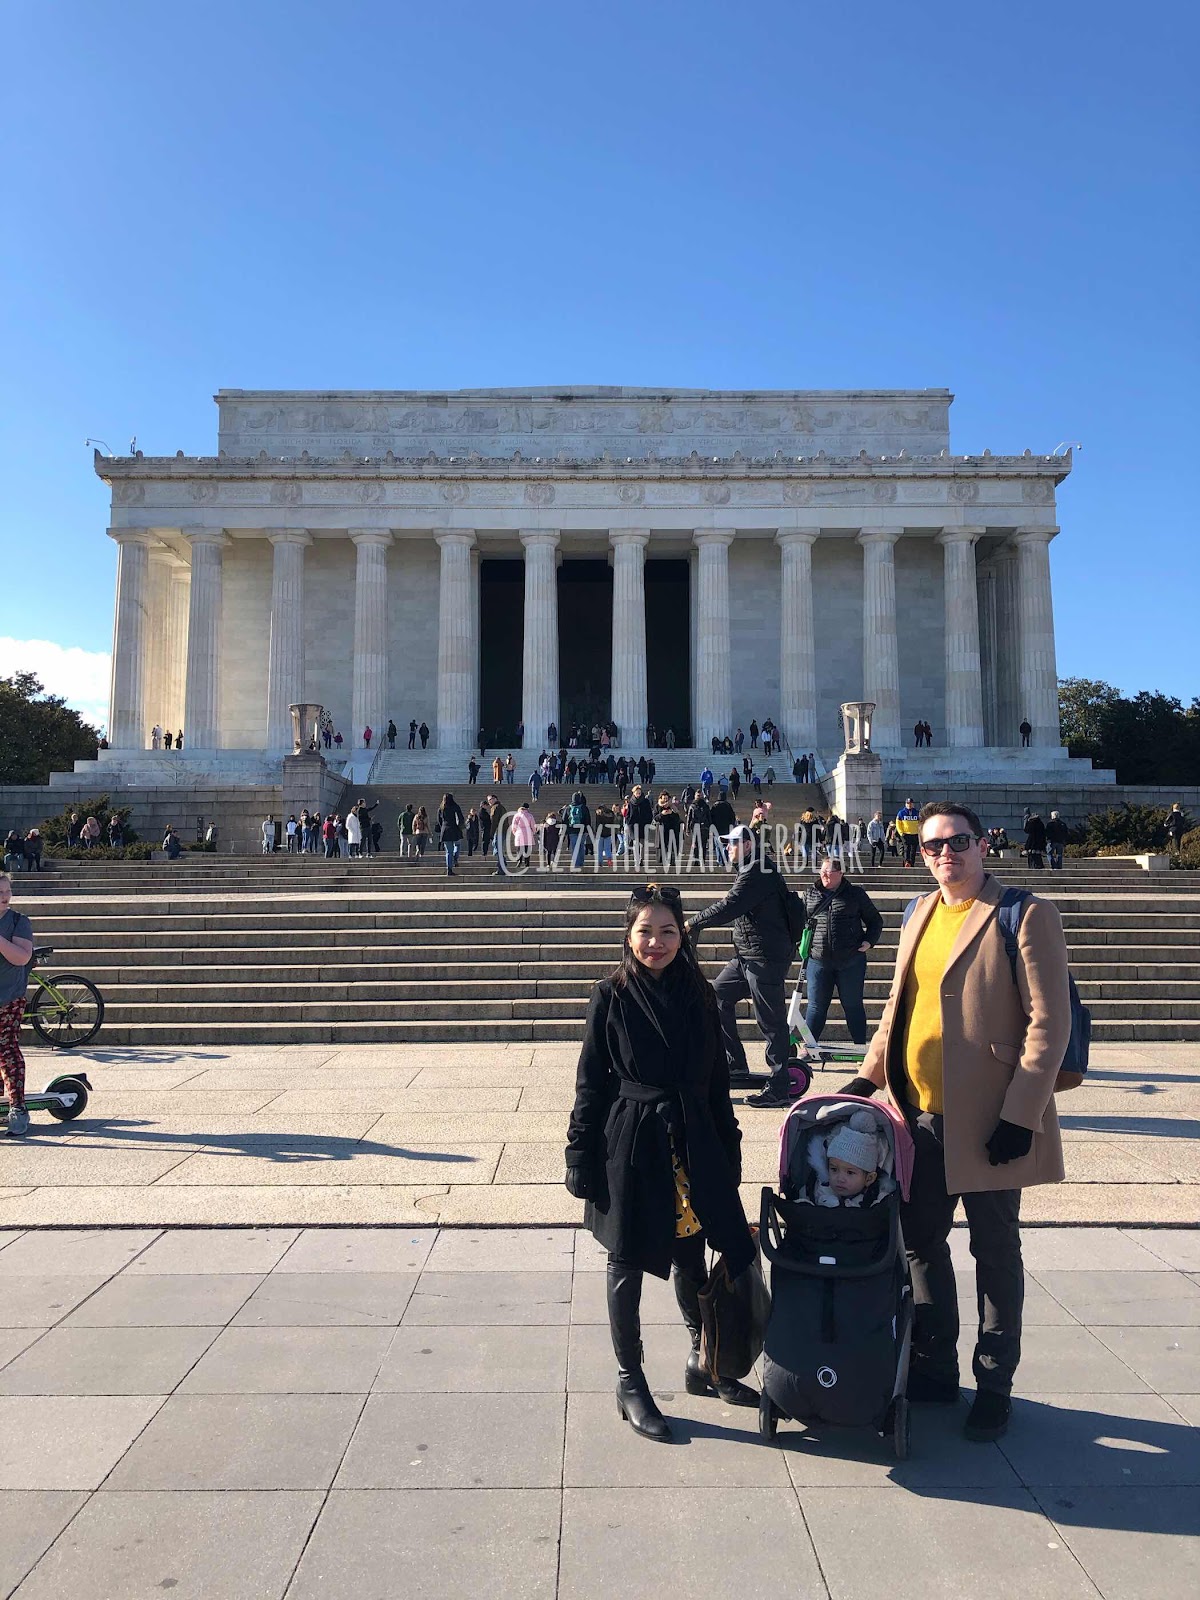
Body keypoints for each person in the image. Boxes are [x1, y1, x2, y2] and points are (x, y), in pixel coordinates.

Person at [840, 800, 1072, 1443]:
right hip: (919, 1117)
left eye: (959, 842)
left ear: (983, 846)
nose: (947, 853)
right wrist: (870, 1075)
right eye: (934, 844)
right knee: (921, 1246)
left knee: (995, 1251)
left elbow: (1049, 1024)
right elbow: (898, 1007)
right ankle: (936, 1366)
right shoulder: (919, 911)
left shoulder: (1024, 913)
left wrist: (1022, 1114)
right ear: (921, 853)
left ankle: (995, 1382)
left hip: (994, 1118)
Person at [564, 883, 758, 1442]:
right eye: (645, 931)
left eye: (668, 931)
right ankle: (630, 1381)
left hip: (694, 1140)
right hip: (632, 1143)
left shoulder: (699, 992)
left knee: (692, 1255)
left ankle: (708, 1361)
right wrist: (580, 1153)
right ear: (629, 935)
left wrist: (730, 1144)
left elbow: (718, 1083)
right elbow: (590, 1083)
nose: (656, 942)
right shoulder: (611, 994)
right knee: (626, 1263)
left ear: (683, 936)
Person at [686, 824, 795, 1096]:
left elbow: (730, 905)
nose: (727, 848)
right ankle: (735, 1064)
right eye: (727, 843)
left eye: (732, 843)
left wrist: (693, 922)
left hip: (765, 956)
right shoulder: (748, 868)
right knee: (715, 997)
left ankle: (780, 1084)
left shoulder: (758, 870)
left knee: (770, 1019)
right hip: (746, 955)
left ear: (748, 845)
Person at [799, 856, 882, 1048]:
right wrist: (801, 943)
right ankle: (809, 1047)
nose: (825, 875)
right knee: (816, 1006)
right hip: (818, 959)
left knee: (852, 1005)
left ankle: (860, 1047)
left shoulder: (855, 894)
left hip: (850, 960)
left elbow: (875, 921)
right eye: (822, 871)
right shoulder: (810, 894)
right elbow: (799, 922)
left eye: (829, 871)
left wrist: (869, 942)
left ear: (841, 873)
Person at [0, 874, 34, 1137]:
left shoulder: (18, 922)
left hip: (9, 997)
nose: (4, 896)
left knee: (7, 1048)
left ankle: (18, 1108)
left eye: (7, 890)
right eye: (0, 892)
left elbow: (22, 957)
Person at [807, 1113, 882, 1208]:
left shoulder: (876, 1197)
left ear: (869, 1179)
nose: (840, 1179)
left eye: (850, 1172)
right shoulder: (822, 1189)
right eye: (834, 1169)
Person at [437, 792, 465, 876]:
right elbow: (460, 818)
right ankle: (455, 858)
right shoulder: (455, 806)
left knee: (448, 851)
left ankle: (449, 869)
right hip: (454, 829)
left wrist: (443, 827)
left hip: (445, 830)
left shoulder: (441, 808)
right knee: (458, 845)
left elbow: (439, 820)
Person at [896, 798, 921, 868]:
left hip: (915, 834)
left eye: (910, 803)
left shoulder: (917, 812)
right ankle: (907, 862)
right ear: (905, 804)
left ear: (913, 804)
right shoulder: (901, 813)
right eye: (908, 803)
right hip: (905, 834)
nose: (909, 805)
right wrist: (901, 833)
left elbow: (921, 823)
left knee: (913, 850)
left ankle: (912, 863)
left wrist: (919, 832)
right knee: (906, 849)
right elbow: (898, 824)